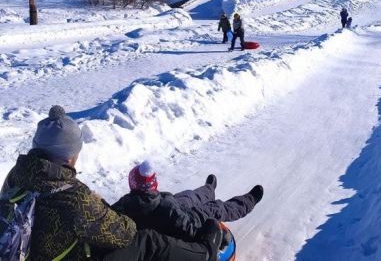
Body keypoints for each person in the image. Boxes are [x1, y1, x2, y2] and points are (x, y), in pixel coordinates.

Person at [1, 105, 222, 261]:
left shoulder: (16, 176)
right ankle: (205, 253)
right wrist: (103, 208)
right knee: (145, 241)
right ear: (69, 157)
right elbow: (125, 232)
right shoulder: (74, 197)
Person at [112, 161, 264, 242]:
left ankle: (209, 189)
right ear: (153, 184)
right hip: (181, 218)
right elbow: (189, 229)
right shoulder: (169, 210)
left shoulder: (124, 203)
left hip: (164, 205)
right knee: (215, 208)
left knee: (189, 196)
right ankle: (249, 200)